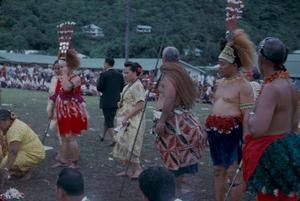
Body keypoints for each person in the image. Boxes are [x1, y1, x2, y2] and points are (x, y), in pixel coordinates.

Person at [243, 37, 300, 201]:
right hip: (289, 149)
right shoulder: (290, 85)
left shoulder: (271, 88)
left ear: (262, 59)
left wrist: (249, 116)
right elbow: (294, 125)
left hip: (271, 153)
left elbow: (258, 130)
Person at [205, 29, 255, 201]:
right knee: (218, 170)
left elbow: (247, 115)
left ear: (234, 65)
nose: (220, 67)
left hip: (233, 134)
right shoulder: (219, 83)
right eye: (219, 63)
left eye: (223, 64)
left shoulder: (244, 86)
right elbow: (216, 106)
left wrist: (246, 140)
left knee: (233, 173)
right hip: (214, 132)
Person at [154, 46, 205, 195]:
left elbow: (170, 97)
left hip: (172, 122)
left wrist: (162, 121)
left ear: (164, 59)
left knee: (172, 160)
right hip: (184, 120)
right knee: (179, 160)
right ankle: (177, 192)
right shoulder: (182, 74)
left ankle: (171, 194)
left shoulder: (169, 75)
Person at [49, 49, 88, 168]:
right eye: (61, 66)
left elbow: (66, 88)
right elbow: (59, 91)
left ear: (70, 66)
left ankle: (74, 162)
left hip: (71, 110)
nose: (61, 68)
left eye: (63, 66)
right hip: (62, 109)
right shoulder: (64, 75)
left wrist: (65, 73)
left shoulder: (76, 78)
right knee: (64, 136)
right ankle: (63, 160)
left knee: (70, 137)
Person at [113, 62, 145, 179]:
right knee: (124, 143)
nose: (124, 74)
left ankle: (138, 169)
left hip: (133, 119)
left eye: (127, 72)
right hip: (124, 118)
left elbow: (140, 104)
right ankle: (128, 170)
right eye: (124, 72)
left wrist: (127, 116)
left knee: (132, 143)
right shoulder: (128, 85)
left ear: (134, 72)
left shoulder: (138, 85)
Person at [0, 109, 45, 183]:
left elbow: (13, 152)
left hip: (33, 154)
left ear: (7, 120)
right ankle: (19, 171)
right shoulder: (10, 124)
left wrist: (6, 169)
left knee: (3, 165)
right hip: (22, 149)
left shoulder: (15, 131)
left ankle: (27, 169)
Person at [97, 58, 124, 146]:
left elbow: (99, 88)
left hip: (106, 101)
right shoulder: (119, 74)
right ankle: (103, 135)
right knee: (109, 119)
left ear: (107, 63)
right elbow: (121, 87)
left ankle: (114, 139)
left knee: (109, 121)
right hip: (116, 100)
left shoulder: (104, 74)